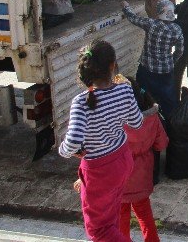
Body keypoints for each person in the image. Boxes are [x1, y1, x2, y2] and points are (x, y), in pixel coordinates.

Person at [59, 40, 143, 242]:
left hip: (99, 171)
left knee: (100, 231)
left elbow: (73, 141)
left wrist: (63, 150)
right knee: (111, 218)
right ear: (112, 66)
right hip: (122, 161)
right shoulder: (124, 90)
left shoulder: (80, 102)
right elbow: (137, 123)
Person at [119, 77, 169, 242]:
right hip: (143, 176)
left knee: (121, 217)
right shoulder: (152, 116)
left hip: (120, 177)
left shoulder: (114, 121)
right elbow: (162, 144)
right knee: (145, 214)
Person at [123, 0, 184, 120]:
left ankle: (146, 122)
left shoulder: (150, 24)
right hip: (166, 71)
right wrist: (172, 61)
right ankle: (169, 125)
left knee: (143, 96)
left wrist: (126, 7)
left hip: (147, 70)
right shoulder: (177, 29)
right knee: (167, 99)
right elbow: (180, 51)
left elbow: (132, 18)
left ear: (159, 12)